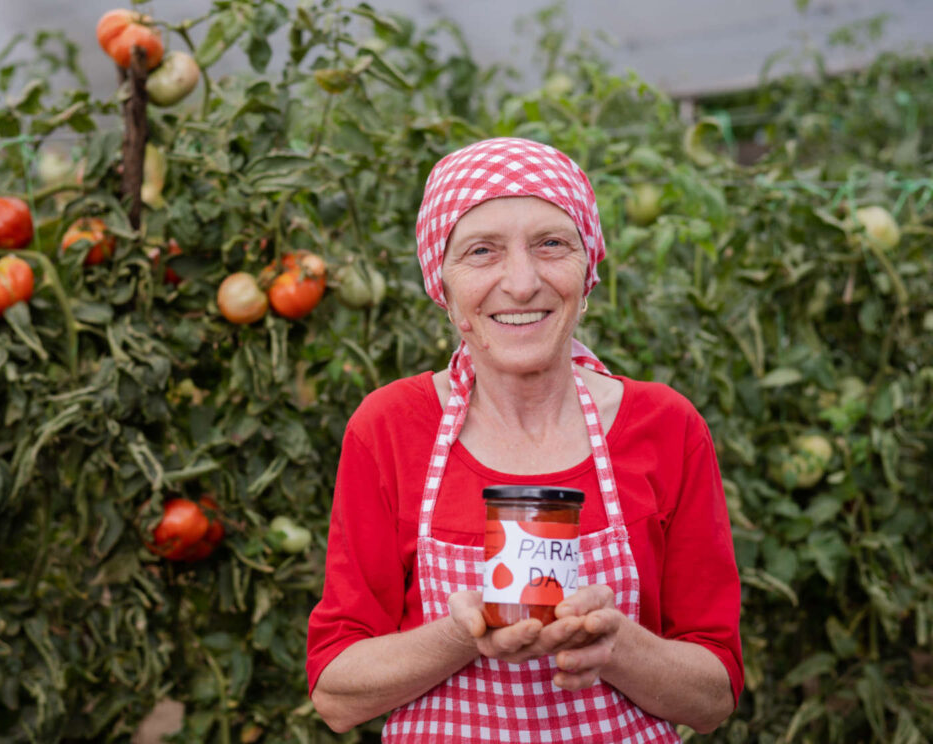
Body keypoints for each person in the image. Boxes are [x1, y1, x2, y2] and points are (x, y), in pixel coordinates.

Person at [306, 138, 743, 741]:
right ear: (444, 287)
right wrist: (462, 634)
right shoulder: (390, 428)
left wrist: (616, 644)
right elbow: (335, 694)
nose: (521, 282)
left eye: (551, 244)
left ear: (587, 273)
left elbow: (713, 696)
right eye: (482, 251)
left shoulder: (666, 425)